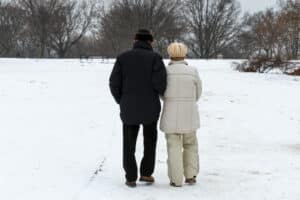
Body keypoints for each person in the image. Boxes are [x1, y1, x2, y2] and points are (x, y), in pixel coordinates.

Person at [109, 29, 167, 188]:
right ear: (151, 42)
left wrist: (121, 100)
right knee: (150, 141)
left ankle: (131, 176)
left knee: (128, 144)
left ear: (135, 40)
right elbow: (161, 84)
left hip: (129, 108)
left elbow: (114, 83)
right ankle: (146, 173)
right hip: (150, 108)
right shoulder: (155, 58)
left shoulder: (122, 58)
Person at [160, 42, 202, 187]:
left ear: (170, 54)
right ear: (184, 54)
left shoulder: (164, 71)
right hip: (189, 115)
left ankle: (176, 180)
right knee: (191, 145)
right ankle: (191, 175)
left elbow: (162, 93)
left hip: (170, 115)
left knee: (173, 147)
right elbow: (198, 93)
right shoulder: (193, 71)